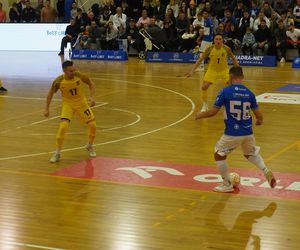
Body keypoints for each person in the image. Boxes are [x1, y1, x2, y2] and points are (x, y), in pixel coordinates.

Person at [195, 66, 276, 193]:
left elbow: (213, 112)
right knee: (250, 154)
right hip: (248, 132)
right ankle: (265, 170)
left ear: (230, 76)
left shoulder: (225, 91)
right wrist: (259, 121)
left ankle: (227, 184)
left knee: (218, 154)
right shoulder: (249, 93)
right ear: (242, 77)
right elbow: (259, 116)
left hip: (232, 133)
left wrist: (200, 115)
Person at [44, 60, 97, 163]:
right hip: (68, 105)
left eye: (74, 70)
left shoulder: (79, 75)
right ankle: (57, 153)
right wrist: (47, 108)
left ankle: (89, 145)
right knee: (63, 127)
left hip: (82, 103)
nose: (73, 72)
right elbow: (50, 93)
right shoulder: (59, 81)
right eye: (70, 71)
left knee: (93, 125)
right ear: (64, 71)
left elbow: (91, 83)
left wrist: (92, 97)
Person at [186, 33, 239, 112]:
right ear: (214, 40)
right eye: (216, 39)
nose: (218, 41)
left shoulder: (227, 48)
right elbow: (200, 60)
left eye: (220, 39)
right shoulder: (210, 49)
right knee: (204, 87)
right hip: (212, 71)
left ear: (222, 40)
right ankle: (205, 105)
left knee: (232, 87)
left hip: (224, 70)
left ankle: (228, 104)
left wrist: (238, 71)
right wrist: (192, 71)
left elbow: (234, 59)